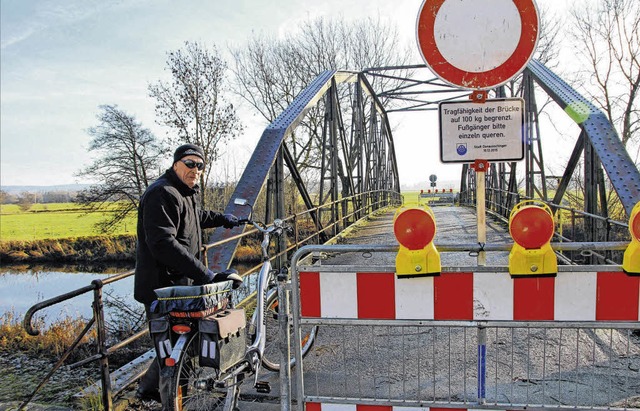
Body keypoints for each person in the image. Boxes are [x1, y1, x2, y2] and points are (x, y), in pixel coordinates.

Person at [133, 143, 243, 405]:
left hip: (181, 286)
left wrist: (223, 219)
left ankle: (154, 392)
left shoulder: (184, 192)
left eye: (200, 165)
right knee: (171, 348)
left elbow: (195, 217)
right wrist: (207, 275)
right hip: (162, 288)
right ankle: (165, 397)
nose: (196, 170)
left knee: (180, 344)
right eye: (190, 164)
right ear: (176, 164)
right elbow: (162, 243)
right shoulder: (161, 193)